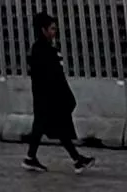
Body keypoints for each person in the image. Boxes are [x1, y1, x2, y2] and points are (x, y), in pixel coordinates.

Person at [22, 11, 92, 172]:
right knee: (55, 127)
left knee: (46, 127)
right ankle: (76, 160)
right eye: (52, 28)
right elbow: (53, 76)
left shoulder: (40, 49)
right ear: (43, 30)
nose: (55, 32)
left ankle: (32, 158)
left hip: (44, 96)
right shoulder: (43, 50)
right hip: (48, 97)